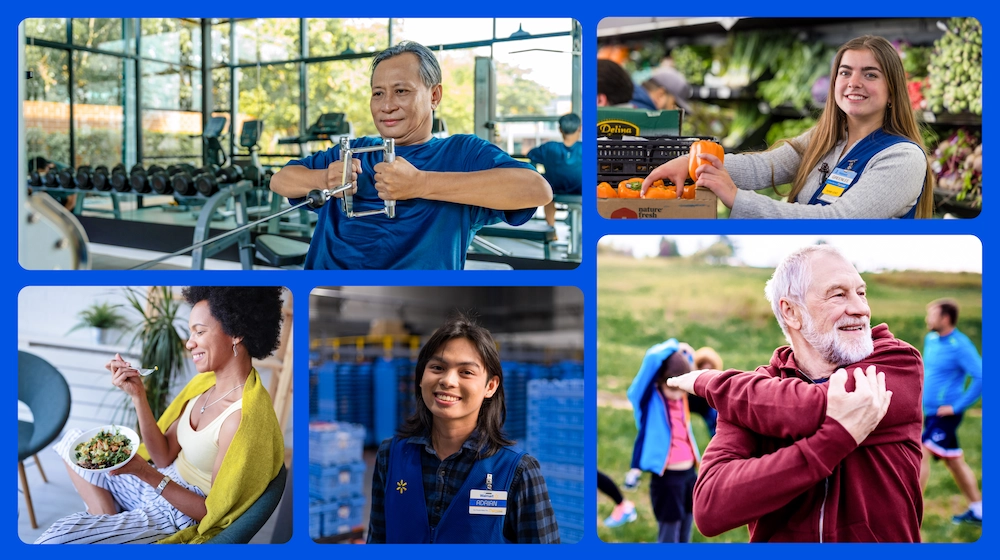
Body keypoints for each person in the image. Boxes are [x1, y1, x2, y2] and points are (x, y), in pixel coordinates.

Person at [666, 245, 923, 542]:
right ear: (791, 312)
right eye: (839, 294)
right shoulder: (753, 394)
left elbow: (810, 408)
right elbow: (710, 509)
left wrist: (710, 382)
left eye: (861, 293)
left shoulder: (896, 362)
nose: (861, 308)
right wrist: (833, 440)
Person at [270, 41, 552, 270]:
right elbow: (280, 180)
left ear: (434, 96)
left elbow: (536, 189)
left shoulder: (463, 153)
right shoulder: (352, 151)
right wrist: (323, 177)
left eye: (401, 91)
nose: (387, 105)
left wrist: (420, 184)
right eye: (378, 93)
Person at [36, 287, 285, 544]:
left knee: (54, 540)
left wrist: (145, 472)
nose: (189, 343)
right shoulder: (204, 386)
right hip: (158, 482)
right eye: (191, 333)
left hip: (178, 511)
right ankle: (107, 521)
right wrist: (138, 395)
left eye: (199, 332)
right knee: (72, 441)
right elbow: (163, 455)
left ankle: (108, 530)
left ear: (236, 333)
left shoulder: (240, 419)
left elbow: (210, 514)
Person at [642, 35, 935, 218]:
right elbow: (763, 166)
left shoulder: (902, 158)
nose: (853, 83)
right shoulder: (826, 138)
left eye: (870, 75)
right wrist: (695, 163)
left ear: (893, 90)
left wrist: (738, 199)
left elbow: (839, 221)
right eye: (845, 72)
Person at [367, 315, 559, 543]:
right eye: (437, 367)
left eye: (466, 372)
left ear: (490, 386)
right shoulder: (390, 456)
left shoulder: (517, 472)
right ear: (420, 377)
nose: (448, 380)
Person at [623, 339, 700, 542]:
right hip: (667, 479)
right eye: (671, 388)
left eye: (680, 388)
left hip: (690, 474)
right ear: (658, 381)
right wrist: (677, 345)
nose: (677, 395)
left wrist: (687, 355)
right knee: (669, 535)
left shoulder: (682, 397)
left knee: (686, 531)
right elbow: (652, 357)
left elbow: (689, 367)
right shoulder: (648, 401)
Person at [920, 298, 983, 525]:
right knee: (954, 461)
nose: (928, 318)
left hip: (945, 415)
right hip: (929, 412)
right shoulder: (931, 339)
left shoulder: (961, 345)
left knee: (921, 451)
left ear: (945, 318)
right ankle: (979, 510)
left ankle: (908, 513)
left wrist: (957, 406)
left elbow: (981, 376)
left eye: (932, 314)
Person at [527, 113, 582, 233]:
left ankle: (551, 228)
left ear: (560, 129)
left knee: (547, 189)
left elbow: (531, 155)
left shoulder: (549, 147)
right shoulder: (587, 148)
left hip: (554, 191)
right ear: (580, 128)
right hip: (582, 191)